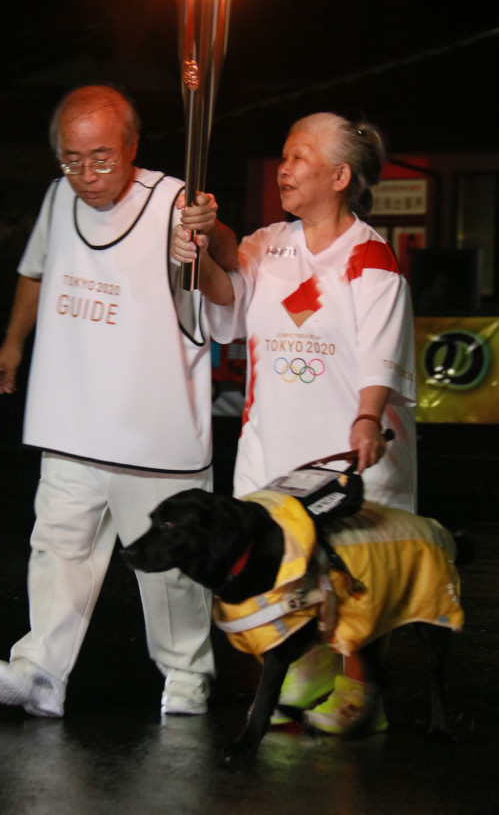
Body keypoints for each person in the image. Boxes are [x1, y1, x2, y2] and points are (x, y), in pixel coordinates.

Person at [0, 84, 238, 719]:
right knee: (57, 548)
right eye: (71, 159)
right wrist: (14, 341)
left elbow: (227, 265)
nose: (86, 174)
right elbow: (37, 271)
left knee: (168, 568)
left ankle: (185, 677)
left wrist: (210, 229)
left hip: (153, 430)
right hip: (71, 419)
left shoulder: (174, 199)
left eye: (101, 158)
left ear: (131, 147)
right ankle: (40, 669)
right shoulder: (57, 197)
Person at [172, 112, 417, 734]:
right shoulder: (270, 243)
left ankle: (363, 690)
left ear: (340, 176)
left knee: (354, 571)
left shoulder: (370, 258)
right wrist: (203, 234)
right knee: (285, 567)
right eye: (283, 155)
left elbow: (380, 351)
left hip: (346, 445)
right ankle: (304, 670)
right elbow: (229, 275)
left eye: (300, 158)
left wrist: (366, 416)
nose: (285, 168)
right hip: (274, 443)